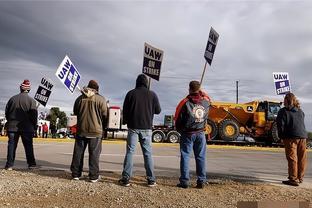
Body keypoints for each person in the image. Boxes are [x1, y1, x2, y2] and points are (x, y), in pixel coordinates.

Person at [119, 74, 161, 187]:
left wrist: (124, 122)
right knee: (147, 154)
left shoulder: (130, 93)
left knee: (130, 152)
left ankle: (126, 178)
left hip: (133, 128)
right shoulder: (152, 94)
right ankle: (151, 179)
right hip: (147, 128)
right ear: (146, 83)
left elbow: (125, 111)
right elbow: (158, 110)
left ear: (137, 82)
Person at [174, 80, 210, 189]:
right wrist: (202, 93)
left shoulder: (184, 102)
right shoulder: (206, 102)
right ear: (199, 89)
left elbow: (177, 117)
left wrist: (180, 130)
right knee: (200, 157)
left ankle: (184, 181)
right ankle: (201, 181)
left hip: (187, 133)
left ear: (189, 89)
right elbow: (209, 99)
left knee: (185, 156)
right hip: (200, 133)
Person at [70, 80, 108, 183]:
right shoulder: (101, 99)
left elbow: (75, 112)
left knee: (78, 152)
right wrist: (103, 128)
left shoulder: (79, 99)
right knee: (94, 154)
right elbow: (105, 115)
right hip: (96, 131)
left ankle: (76, 174)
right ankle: (93, 176)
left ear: (88, 87)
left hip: (81, 130)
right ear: (97, 89)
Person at [5, 79, 38, 170]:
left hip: (12, 127)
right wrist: (34, 126)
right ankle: (31, 164)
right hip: (27, 128)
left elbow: (7, 113)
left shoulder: (12, 99)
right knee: (28, 146)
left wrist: (10, 121)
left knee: (12, 146)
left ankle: (9, 165)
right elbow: (34, 116)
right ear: (29, 90)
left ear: (20, 88)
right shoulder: (32, 101)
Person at [276, 92, 308, 186]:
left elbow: (280, 125)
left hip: (290, 137)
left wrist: (281, 137)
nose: (283, 101)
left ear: (287, 100)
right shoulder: (300, 111)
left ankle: (293, 179)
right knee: (302, 158)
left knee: (292, 158)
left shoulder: (283, 111)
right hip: (303, 137)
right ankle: (300, 178)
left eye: (285, 99)